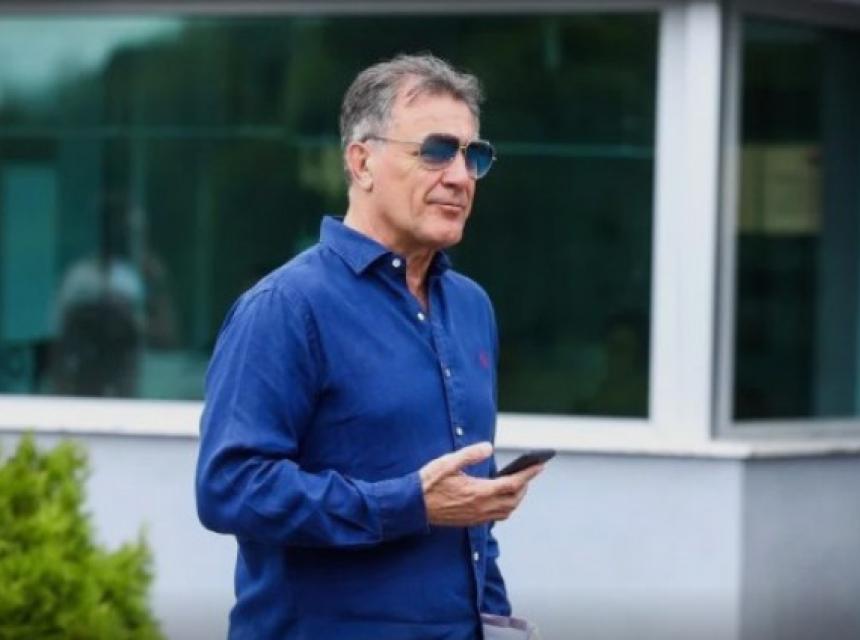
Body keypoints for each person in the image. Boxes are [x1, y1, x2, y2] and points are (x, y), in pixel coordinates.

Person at [195, 53, 544, 640]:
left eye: (473, 156)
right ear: (362, 162)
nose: (460, 177)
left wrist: (494, 618)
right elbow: (228, 488)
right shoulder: (287, 306)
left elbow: (469, 516)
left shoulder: (471, 307)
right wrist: (407, 503)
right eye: (436, 151)